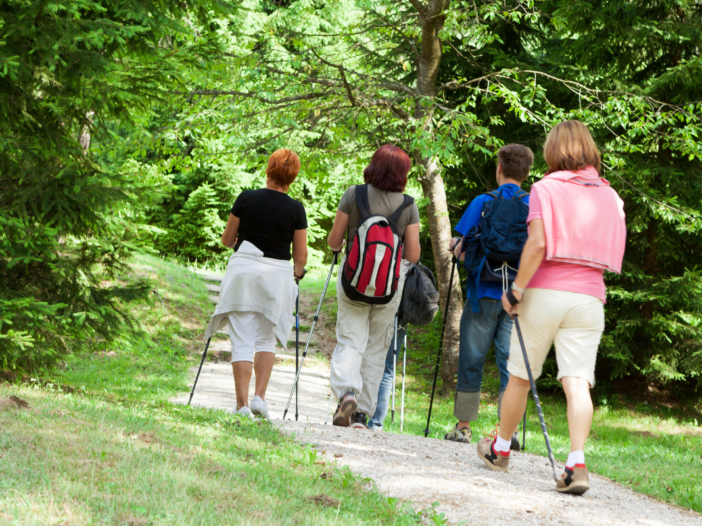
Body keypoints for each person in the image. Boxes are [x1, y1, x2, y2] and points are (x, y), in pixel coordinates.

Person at [476, 121, 626, 495]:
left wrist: (516, 289)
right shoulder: (611, 195)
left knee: (521, 376)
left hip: (546, 291)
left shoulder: (545, 188)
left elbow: (539, 243)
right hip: (590, 295)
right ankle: (576, 463)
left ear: (552, 151)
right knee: (577, 381)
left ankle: (501, 449)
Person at [203, 149, 308, 420]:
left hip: (244, 276)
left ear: (268, 169)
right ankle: (259, 397)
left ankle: (242, 407)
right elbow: (300, 255)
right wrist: (298, 273)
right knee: (265, 340)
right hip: (277, 278)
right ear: (293, 176)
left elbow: (228, 240)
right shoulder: (297, 209)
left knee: (241, 340)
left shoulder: (246, 198)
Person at [444, 144, 534, 445]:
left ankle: (464, 426)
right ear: (527, 172)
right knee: (511, 363)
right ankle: (507, 432)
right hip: (518, 297)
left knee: (472, 357)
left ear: (499, 169)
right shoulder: (534, 205)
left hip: (483, 291)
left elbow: (462, 248)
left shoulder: (483, 202)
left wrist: (455, 247)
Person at [327, 144, 421, 429]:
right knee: (376, 349)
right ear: (402, 173)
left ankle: (346, 393)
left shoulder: (353, 194)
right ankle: (361, 415)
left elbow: (334, 241)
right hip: (388, 290)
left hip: (353, 283)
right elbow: (413, 256)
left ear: (374, 166)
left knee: (350, 341)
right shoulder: (409, 205)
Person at [368, 322, 407, 431]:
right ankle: (376, 423)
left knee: (367, 362)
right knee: (387, 370)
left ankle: (357, 416)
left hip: (380, 312)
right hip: (401, 317)